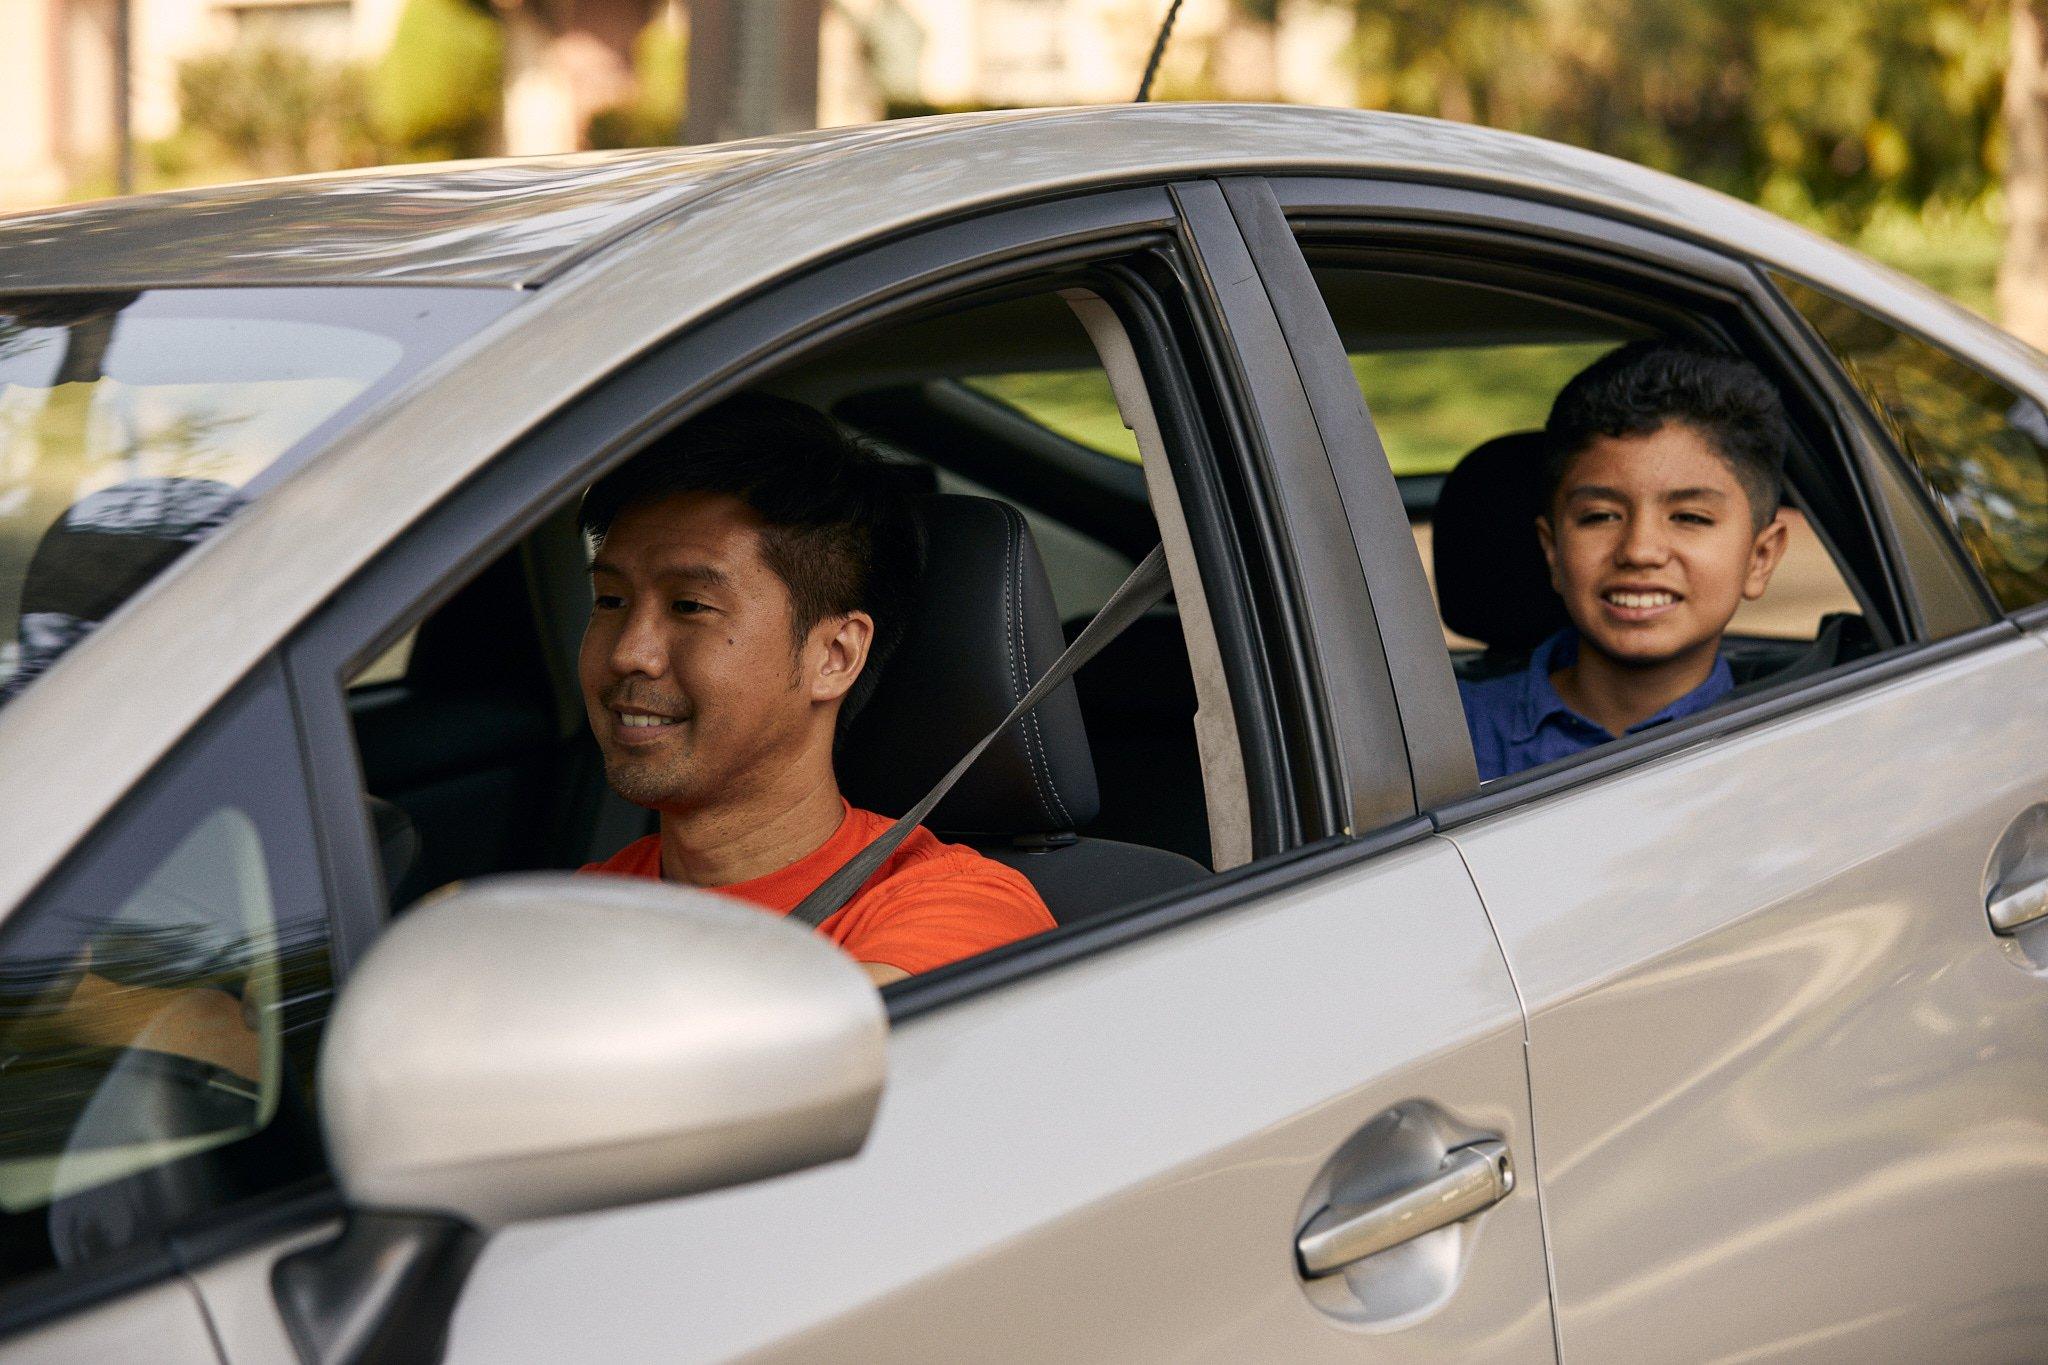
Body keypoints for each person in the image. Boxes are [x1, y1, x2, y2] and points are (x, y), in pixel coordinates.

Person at [576, 394, 1055, 984]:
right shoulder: (583, 905)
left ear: (834, 656)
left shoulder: (957, 912)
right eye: (611, 601)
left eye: (690, 606)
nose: (629, 652)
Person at [1459, 341, 1793, 782]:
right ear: (1553, 550)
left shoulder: (1790, 752)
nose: (1639, 550)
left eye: (1689, 517)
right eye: (1600, 516)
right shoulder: (1444, 738)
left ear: (1760, 558)